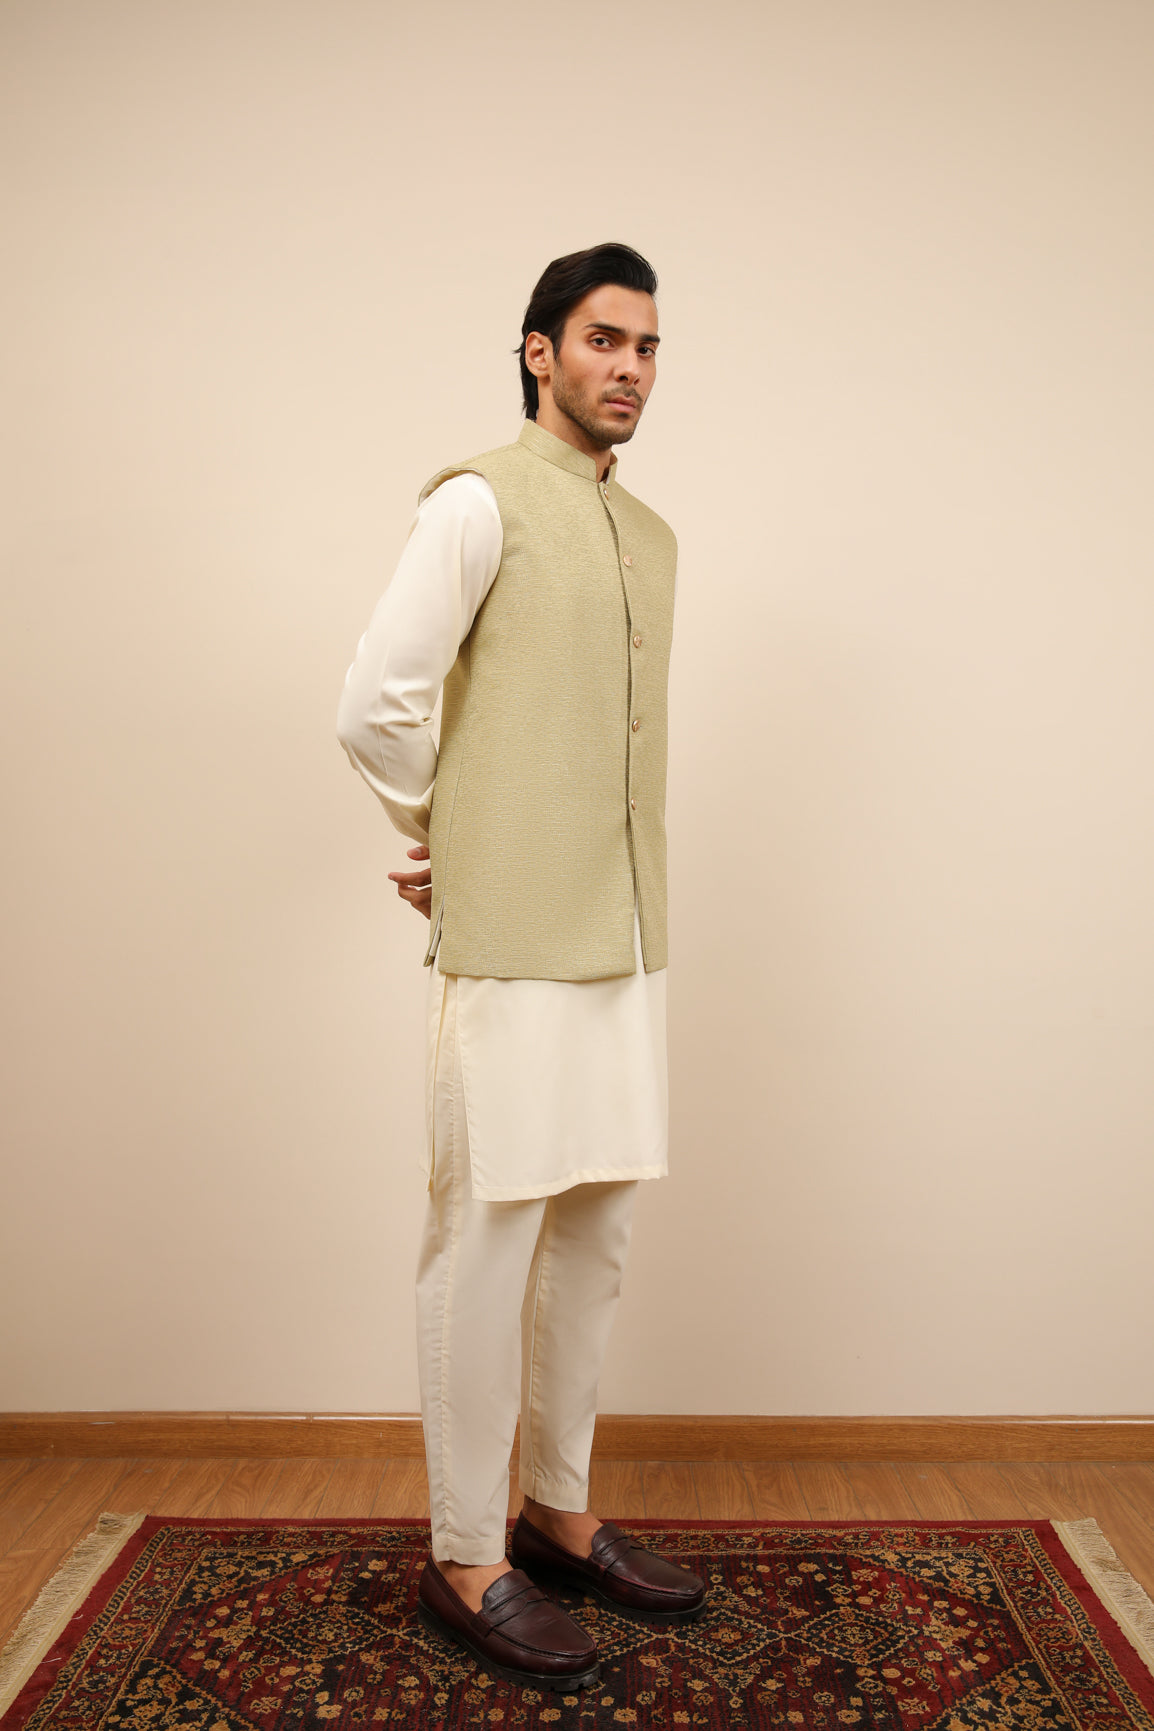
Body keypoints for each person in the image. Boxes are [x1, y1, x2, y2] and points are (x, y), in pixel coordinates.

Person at [337, 241, 704, 1692]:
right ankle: (463, 1551)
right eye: (604, 340)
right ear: (540, 351)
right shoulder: (477, 502)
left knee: (595, 1236)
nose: (630, 368)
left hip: (626, 936)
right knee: (485, 1241)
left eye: (648, 346)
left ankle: (557, 1510)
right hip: (510, 945)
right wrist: (450, 834)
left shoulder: (651, 536)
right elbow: (377, 702)